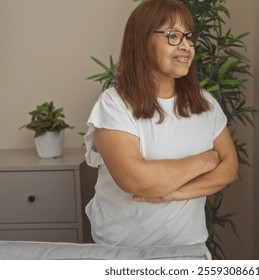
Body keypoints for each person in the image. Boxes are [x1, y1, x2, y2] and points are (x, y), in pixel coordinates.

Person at [84, 0, 238, 249]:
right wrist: (205, 161)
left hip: (189, 248)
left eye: (188, 37)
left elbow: (229, 169)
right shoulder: (113, 104)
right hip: (122, 251)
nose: (186, 46)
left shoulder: (205, 103)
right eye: (173, 36)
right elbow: (136, 180)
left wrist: (173, 194)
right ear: (142, 43)